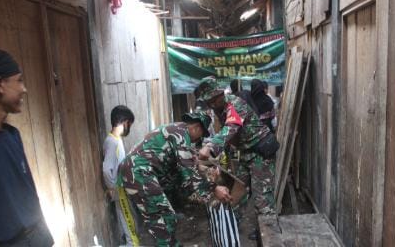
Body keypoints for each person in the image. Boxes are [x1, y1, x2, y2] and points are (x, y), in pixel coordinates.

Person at [119, 111, 229, 245]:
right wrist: (214, 188)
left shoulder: (177, 130)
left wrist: (199, 167)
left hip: (138, 171)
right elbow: (188, 175)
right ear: (197, 128)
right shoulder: (181, 136)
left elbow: (183, 167)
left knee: (163, 216)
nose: (198, 141)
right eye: (201, 136)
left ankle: (168, 243)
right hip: (139, 172)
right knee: (164, 216)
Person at [0, 49, 54, 247]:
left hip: (38, 238)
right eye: (19, 81)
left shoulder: (12, 136)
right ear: (0, 84)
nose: (24, 89)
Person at [195, 76, 278, 221]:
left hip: (260, 152)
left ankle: (268, 229)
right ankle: (232, 225)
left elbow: (230, 129)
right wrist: (223, 160)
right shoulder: (219, 108)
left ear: (221, 94)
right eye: (209, 102)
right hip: (244, 153)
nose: (212, 104)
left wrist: (209, 146)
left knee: (262, 199)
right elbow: (230, 139)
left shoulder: (236, 104)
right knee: (239, 191)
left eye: (214, 100)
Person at [102, 105, 138, 246]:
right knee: (129, 222)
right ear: (124, 122)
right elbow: (107, 169)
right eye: (129, 124)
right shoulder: (112, 142)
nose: (129, 127)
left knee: (129, 221)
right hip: (119, 190)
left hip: (122, 188)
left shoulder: (116, 139)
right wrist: (112, 187)